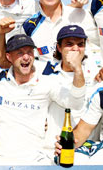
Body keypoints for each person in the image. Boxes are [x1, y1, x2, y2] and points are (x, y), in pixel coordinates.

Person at [0, 31, 86, 165]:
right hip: (0, 159)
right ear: (9, 57)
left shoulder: (46, 82)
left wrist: (77, 70)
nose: (26, 57)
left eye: (29, 52)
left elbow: (75, 103)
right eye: (20, 53)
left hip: (35, 161)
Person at [0, 0, 98, 67]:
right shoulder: (28, 26)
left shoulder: (81, 14)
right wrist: (0, 34)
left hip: (79, 83)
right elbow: (6, 62)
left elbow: (98, 48)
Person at [42, 25, 100, 157]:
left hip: (89, 153)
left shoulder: (96, 73)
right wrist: (77, 70)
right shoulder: (50, 76)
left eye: (80, 44)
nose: (75, 49)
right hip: (55, 152)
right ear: (59, 48)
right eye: (69, 44)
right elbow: (74, 104)